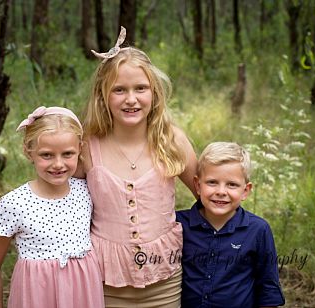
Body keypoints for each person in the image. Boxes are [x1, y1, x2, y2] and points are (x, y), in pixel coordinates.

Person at [76, 27, 199, 307]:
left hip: (165, 280)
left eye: (140, 89)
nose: (131, 99)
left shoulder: (171, 140)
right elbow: (63, 203)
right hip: (104, 281)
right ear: (103, 96)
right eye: (119, 90)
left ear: (154, 93)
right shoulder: (86, 145)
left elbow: (206, 195)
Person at [0, 106, 104, 308]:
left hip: (83, 292)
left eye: (67, 154)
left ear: (80, 150)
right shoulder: (15, 203)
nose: (58, 164)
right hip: (37, 294)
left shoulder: (87, 190)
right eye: (47, 155)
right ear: (28, 152)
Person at [176, 142, 284, 307]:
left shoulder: (257, 230)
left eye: (232, 184)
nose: (221, 191)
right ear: (198, 185)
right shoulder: (179, 224)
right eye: (212, 182)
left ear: (245, 191)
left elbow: (268, 287)